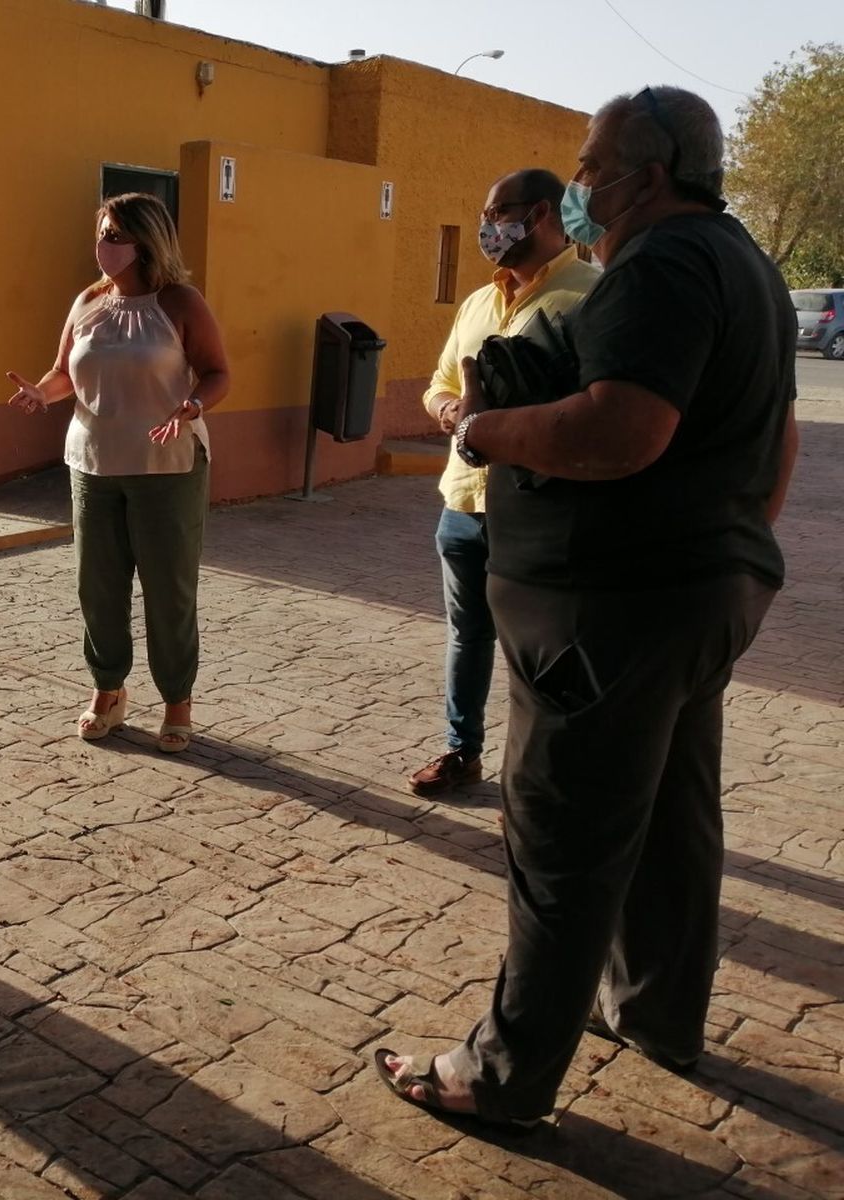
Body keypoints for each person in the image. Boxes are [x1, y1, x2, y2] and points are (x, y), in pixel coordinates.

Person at [376, 87, 800, 1129]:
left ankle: (500, 1075)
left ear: (649, 174)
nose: (578, 181)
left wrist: (488, 430)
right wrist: (724, 543)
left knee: (561, 836)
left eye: (591, 164)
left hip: (614, 616)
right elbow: (777, 438)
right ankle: (655, 1012)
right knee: (667, 818)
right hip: (700, 595)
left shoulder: (655, 266)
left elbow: (619, 430)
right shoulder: (746, 266)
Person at [6, 192, 229, 753]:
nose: (102, 248)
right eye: (100, 235)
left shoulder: (181, 302)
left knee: (168, 590)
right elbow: (64, 373)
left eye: (113, 237)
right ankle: (109, 690)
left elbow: (218, 371)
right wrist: (41, 392)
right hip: (93, 463)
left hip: (168, 466)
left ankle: (177, 701)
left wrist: (194, 407)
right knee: (98, 587)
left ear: (145, 241)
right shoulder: (87, 301)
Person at [408, 169, 599, 797]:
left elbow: (590, 408)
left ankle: (534, 780)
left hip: (538, 510)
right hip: (463, 504)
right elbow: (439, 381)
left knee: (539, 653)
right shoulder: (477, 302)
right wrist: (449, 411)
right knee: (469, 637)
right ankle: (462, 751)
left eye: (498, 214)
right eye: (486, 217)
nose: (488, 229)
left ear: (542, 213)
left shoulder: (589, 296)